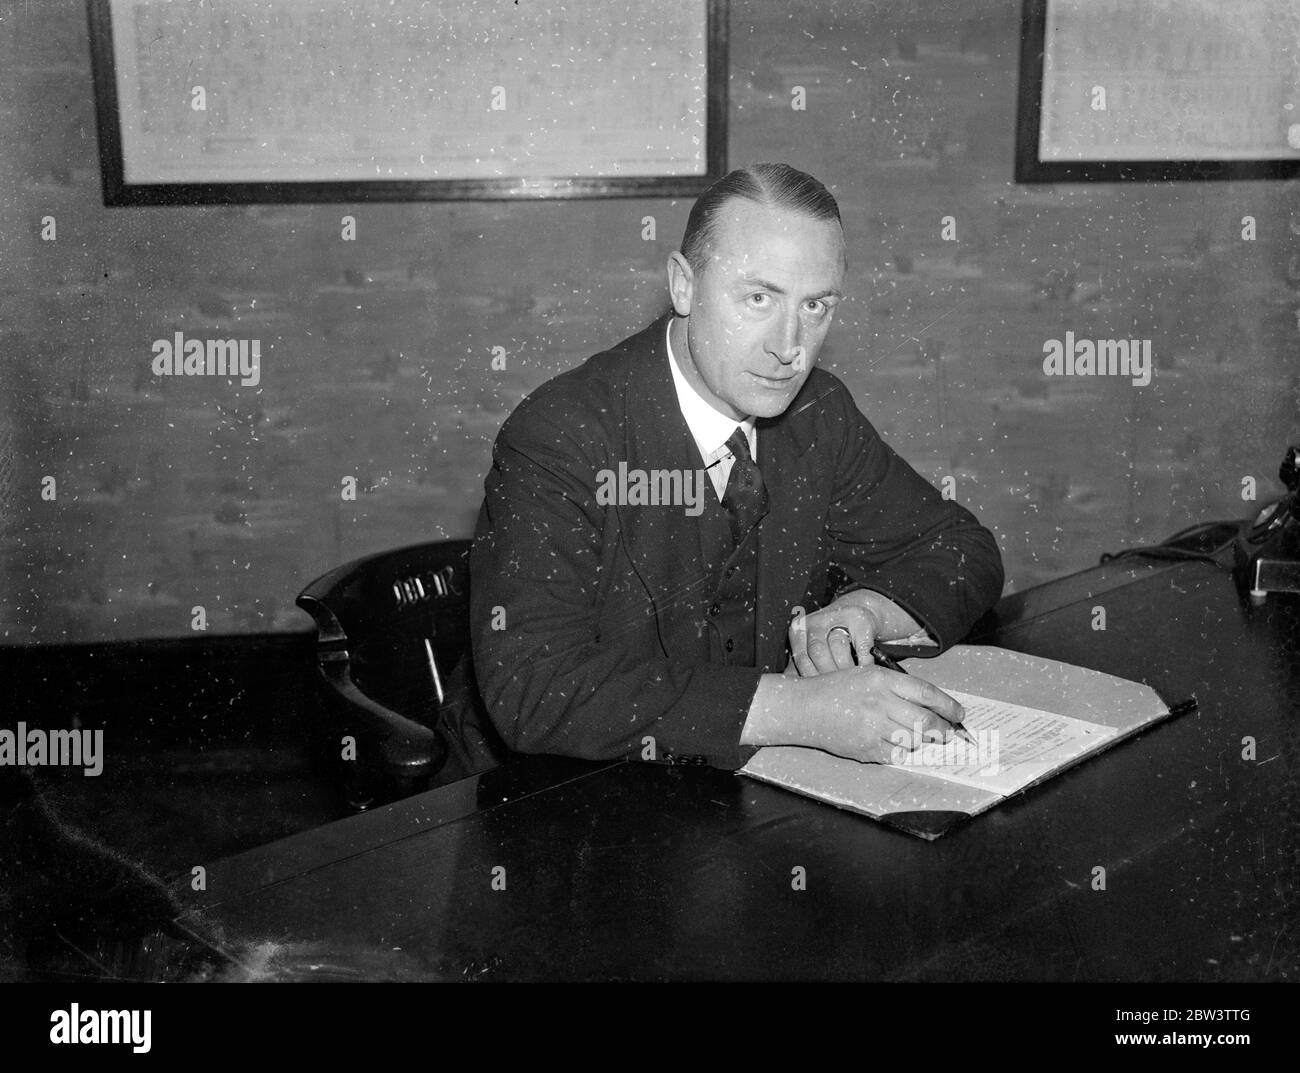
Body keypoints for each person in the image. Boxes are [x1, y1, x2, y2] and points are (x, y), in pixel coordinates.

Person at [467, 163, 1003, 770]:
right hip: (557, 797)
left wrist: (865, 611)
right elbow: (534, 687)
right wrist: (802, 711)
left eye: (817, 306)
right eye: (758, 298)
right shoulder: (562, 434)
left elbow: (964, 549)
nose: (789, 346)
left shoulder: (819, 414)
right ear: (683, 286)